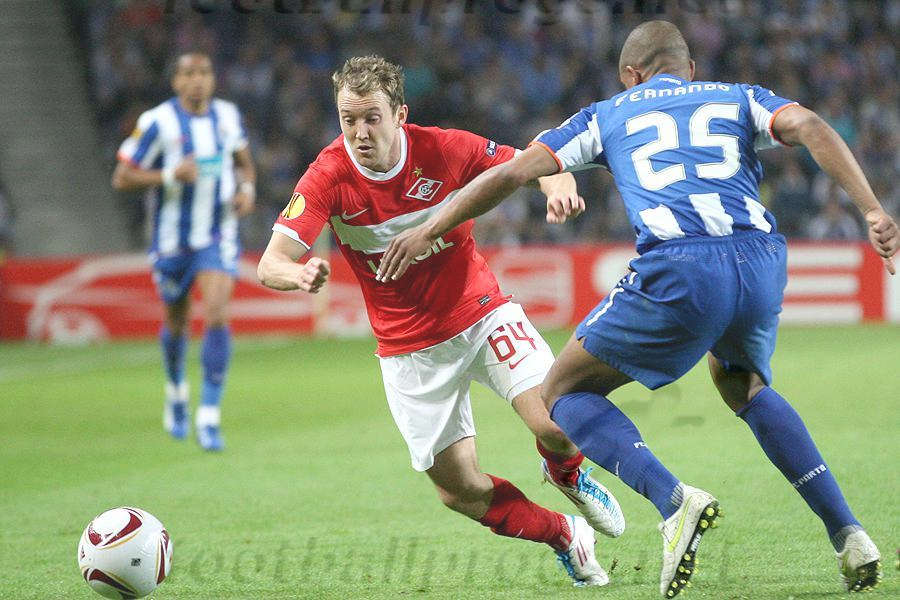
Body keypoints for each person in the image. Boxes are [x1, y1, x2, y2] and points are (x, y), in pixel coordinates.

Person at [378, 21, 898, 597]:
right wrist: (872, 210)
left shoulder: (606, 114)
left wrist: (431, 228)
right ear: (689, 70)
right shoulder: (739, 96)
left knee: (562, 392)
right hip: (761, 260)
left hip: (680, 265)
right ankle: (849, 533)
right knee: (743, 384)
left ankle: (674, 502)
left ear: (631, 74)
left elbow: (515, 172)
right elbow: (811, 126)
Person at [257, 55, 625, 587]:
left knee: (557, 421)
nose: (360, 133)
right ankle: (564, 534)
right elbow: (271, 262)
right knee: (460, 491)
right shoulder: (328, 175)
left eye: (372, 118)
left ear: (399, 114)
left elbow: (534, 164)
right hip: (409, 351)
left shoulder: (444, 148)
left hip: (481, 314)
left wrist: (557, 186)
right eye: (348, 119)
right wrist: (297, 274)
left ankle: (565, 473)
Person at [112, 52, 257, 451]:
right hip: (172, 240)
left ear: (213, 79)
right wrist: (168, 174)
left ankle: (208, 415)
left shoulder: (228, 116)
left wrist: (247, 190)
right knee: (176, 321)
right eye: (189, 74)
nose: (197, 80)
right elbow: (122, 177)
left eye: (204, 72)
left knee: (216, 313)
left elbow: (244, 164)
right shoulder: (157, 122)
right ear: (176, 81)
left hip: (217, 233)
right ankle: (176, 389)